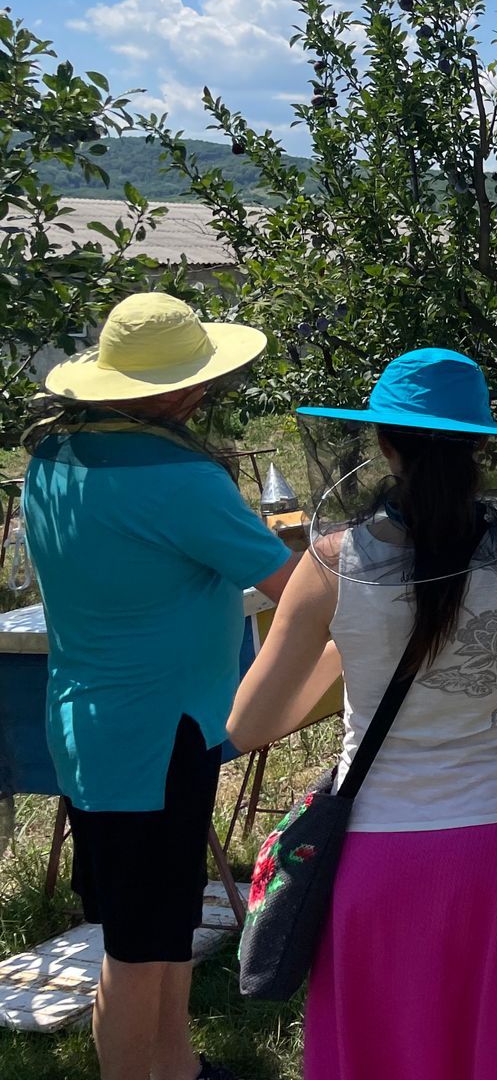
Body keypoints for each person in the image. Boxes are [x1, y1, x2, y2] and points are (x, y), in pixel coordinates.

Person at [227, 348, 497, 1080]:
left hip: (378, 862)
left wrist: (356, 645)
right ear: (479, 444)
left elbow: (249, 726)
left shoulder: (330, 563)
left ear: (383, 443)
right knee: (494, 1051)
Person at [22, 293, 298, 1080]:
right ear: (179, 393)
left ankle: (175, 1065)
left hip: (90, 726)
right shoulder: (180, 479)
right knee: (139, 948)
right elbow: (294, 585)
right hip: (158, 738)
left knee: (153, 924)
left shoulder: (54, 462)